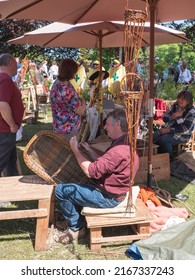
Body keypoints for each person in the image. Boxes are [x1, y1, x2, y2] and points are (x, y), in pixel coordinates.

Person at [55, 108, 140, 243]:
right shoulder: (124, 142)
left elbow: (91, 171)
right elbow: (105, 164)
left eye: (107, 123)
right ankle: (77, 218)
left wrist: (75, 150)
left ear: (117, 124)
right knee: (75, 183)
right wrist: (89, 151)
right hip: (112, 191)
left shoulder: (118, 151)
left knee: (61, 190)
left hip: (108, 198)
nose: (105, 127)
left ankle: (76, 228)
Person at [0, 53, 24, 177]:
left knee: (10, 163)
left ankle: (12, 188)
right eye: (15, 63)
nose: (17, 67)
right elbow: (2, 105)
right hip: (5, 130)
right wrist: (12, 125)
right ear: (9, 62)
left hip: (5, 130)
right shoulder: (5, 79)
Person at [50, 58, 86, 140]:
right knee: (69, 151)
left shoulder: (57, 83)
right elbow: (80, 111)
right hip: (68, 129)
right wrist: (83, 101)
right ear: (71, 72)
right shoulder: (66, 90)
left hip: (59, 126)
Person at [153, 90, 195, 159]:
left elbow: (186, 130)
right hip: (168, 131)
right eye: (179, 98)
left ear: (188, 101)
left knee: (164, 139)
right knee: (154, 136)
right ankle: (157, 158)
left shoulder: (191, 112)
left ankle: (169, 160)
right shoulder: (175, 106)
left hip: (182, 135)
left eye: (183, 99)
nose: (180, 100)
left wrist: (169, 130)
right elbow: (164, 117)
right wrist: (173, 116)